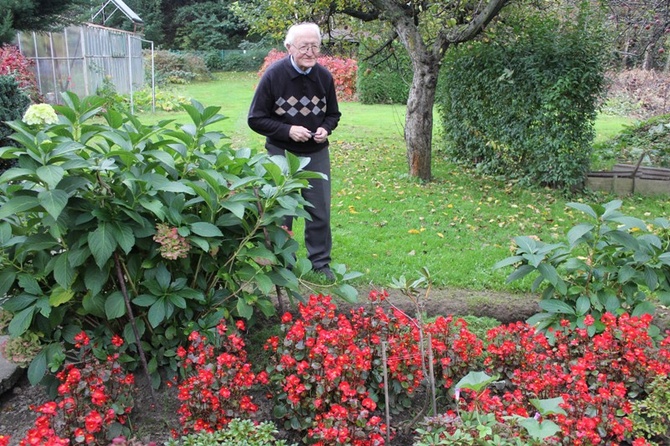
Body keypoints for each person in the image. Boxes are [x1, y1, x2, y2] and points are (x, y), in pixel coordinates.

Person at [248, 22, 341, 281]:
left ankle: (320, 264)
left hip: (316, 153)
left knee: (319, 209)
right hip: (281, 152)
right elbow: (255, 119)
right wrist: (288, 131)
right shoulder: (273, 75)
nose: (310, 52)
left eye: (315, 46)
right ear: (289, 47)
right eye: (304, 47)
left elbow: (333, 114)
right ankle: (282, 263)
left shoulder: (323, 76)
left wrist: (325, 128)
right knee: (282, 210)